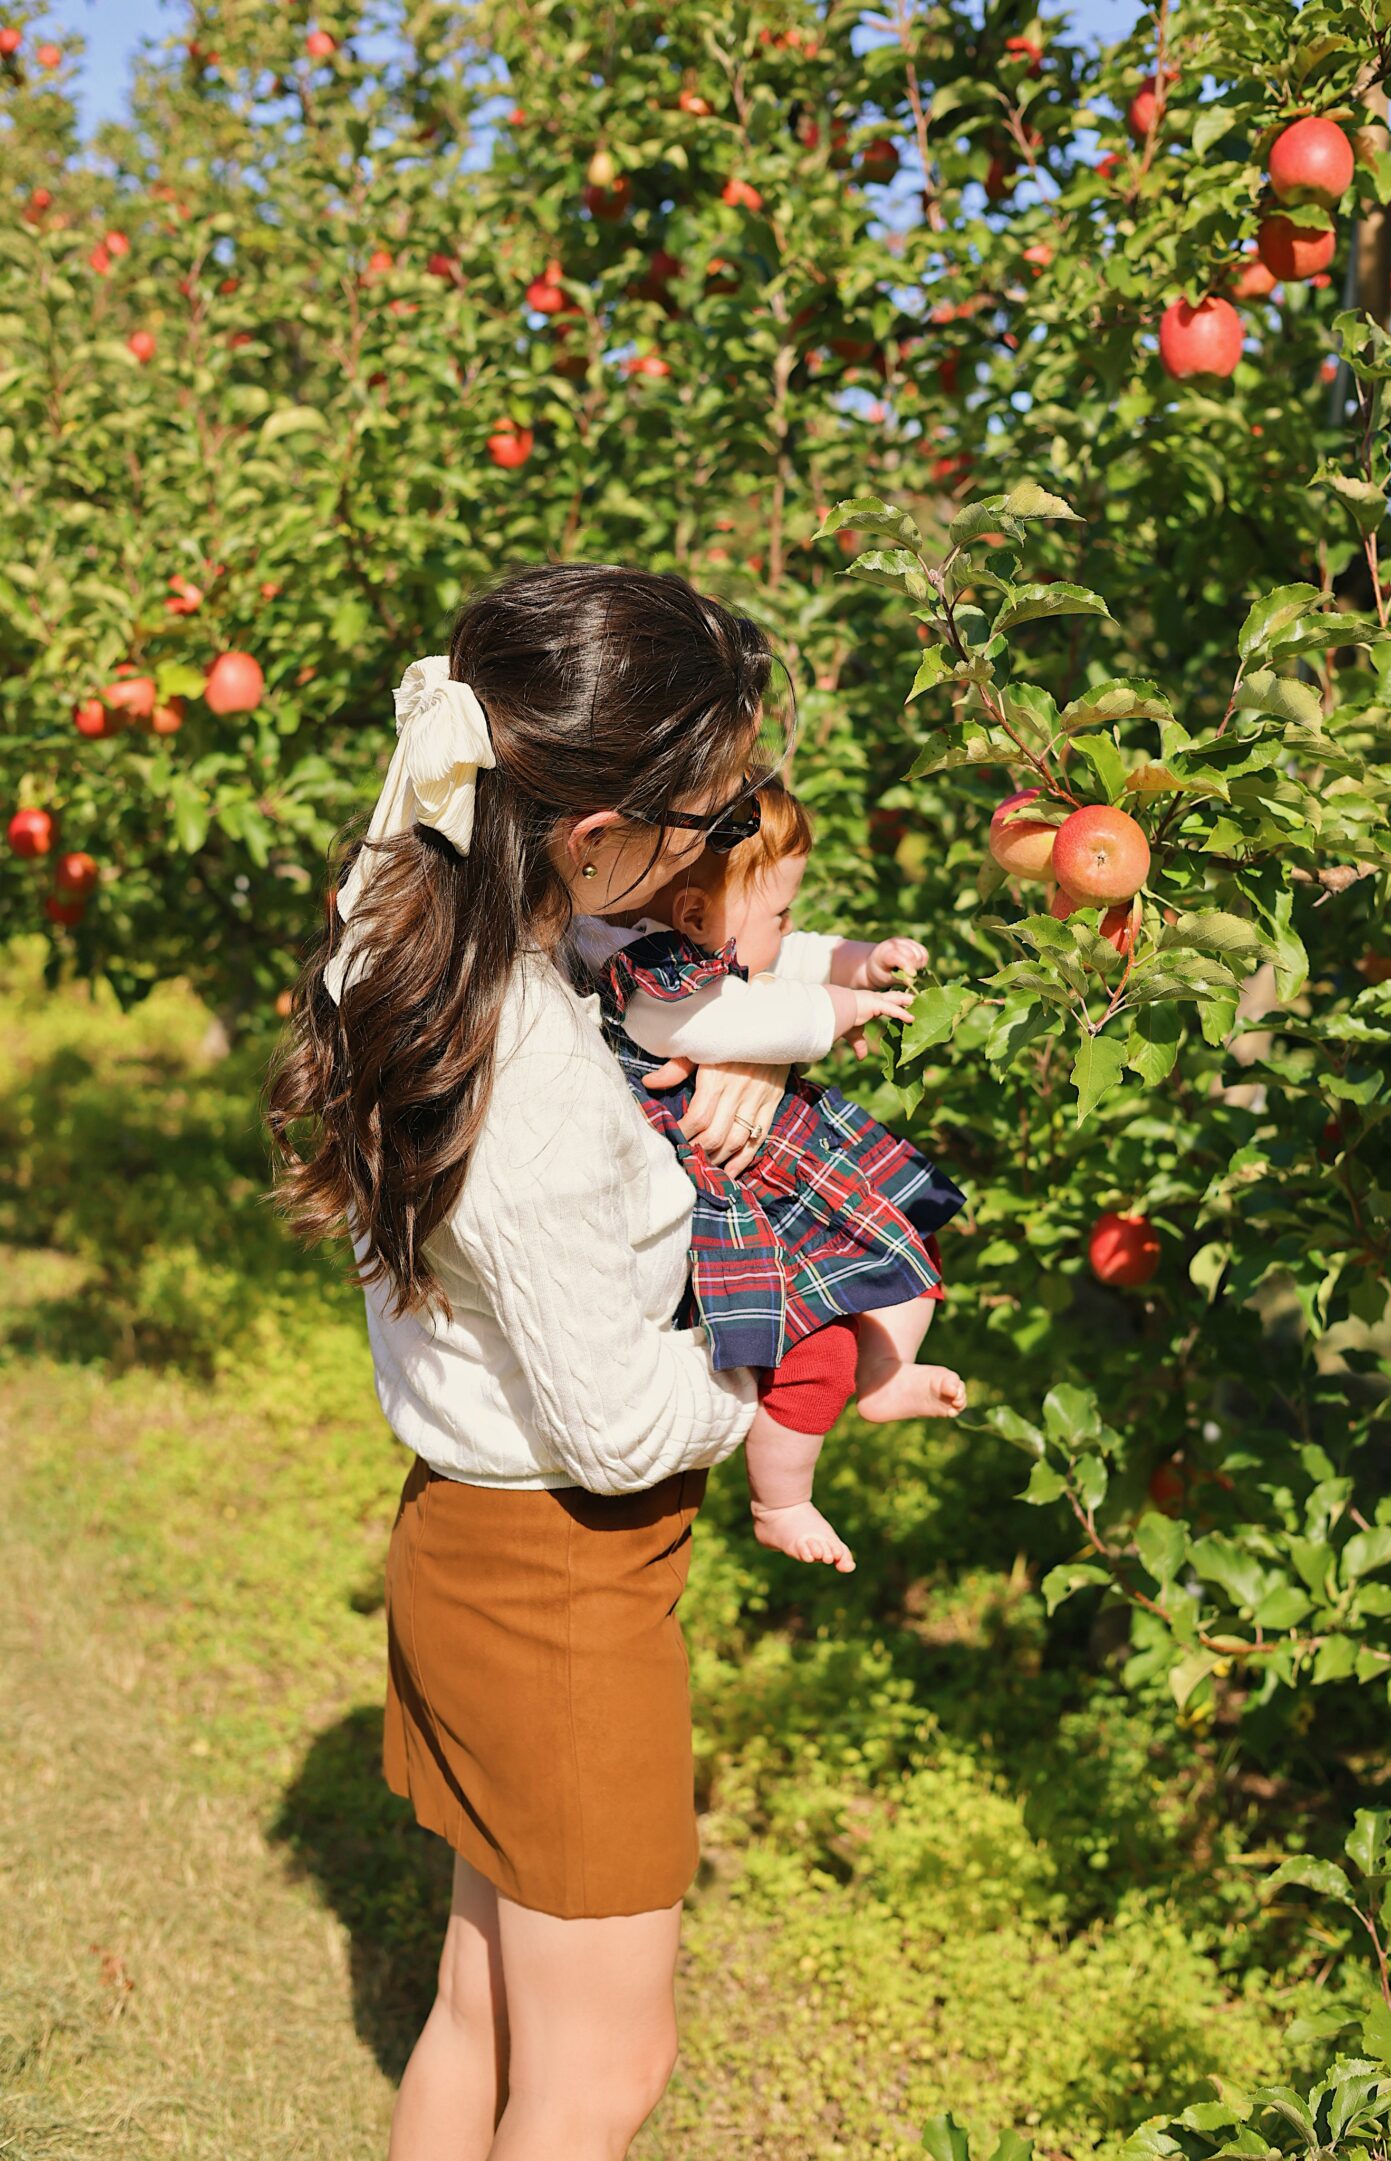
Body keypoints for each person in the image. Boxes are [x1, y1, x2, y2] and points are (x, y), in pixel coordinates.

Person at [264, 563, 811, 2161]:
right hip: (564, 1585)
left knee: (483, 2005)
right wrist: (791, 1365)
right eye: (706, 826)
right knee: (601, 2075)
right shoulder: (543, 1100)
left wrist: (739, 1046)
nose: (723, 854)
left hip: (461, 1539)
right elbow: (621, 1426)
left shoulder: (414, 922)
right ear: (589, 841)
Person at [571, 780, 967, 1576]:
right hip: (740, 1197)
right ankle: (781, 1500)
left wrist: (862, 962)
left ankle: (887, 1375)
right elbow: (737, 1016)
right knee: (812, 1354)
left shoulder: (712, 932)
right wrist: (839, 1012)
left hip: (794, 1168)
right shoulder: (648, 974)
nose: (790, 928)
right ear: (692, 916)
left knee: (901, 1245)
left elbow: (787, 951)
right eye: (780, 911)